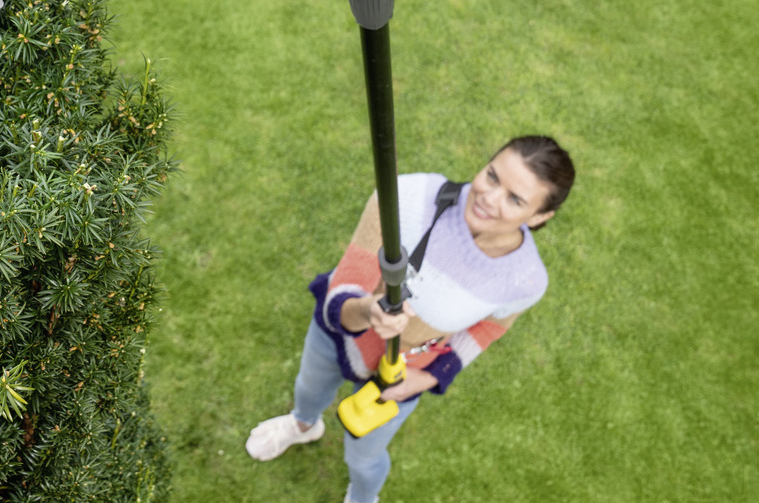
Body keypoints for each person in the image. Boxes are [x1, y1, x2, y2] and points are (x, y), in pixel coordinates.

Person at [245, 135, 576, 503]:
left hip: (400, 374)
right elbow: (340, 295)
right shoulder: (405, 198)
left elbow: (490, 327)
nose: (488, 198)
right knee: (309, 388)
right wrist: (368, 310)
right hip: (341, 334)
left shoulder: (525, 280)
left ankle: (362, 497)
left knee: (365, 457)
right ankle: (303, 424)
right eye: (492, 176)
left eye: (515, 199)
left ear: (540, 216)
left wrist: (434, 374)